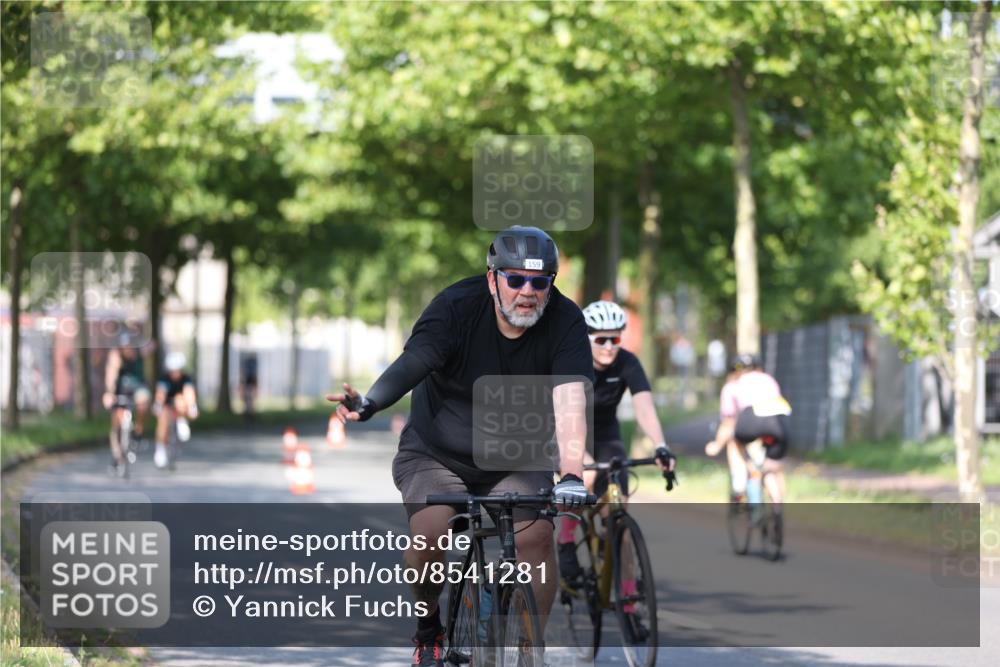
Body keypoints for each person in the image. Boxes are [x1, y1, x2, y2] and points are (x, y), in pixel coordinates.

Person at [327, 226, 593, 667]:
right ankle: (429, 628)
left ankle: (531, 646)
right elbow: (414, 362)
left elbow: (569, 400)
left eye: (540, 282)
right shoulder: (456, 307)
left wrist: (571, 474)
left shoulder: (565, 321)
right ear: (493, 279)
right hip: (437, 453)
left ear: (550, 285)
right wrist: (371, 402)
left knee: (539, 537)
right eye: (515, 280)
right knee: (431, 533)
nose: (527, 292)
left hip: (515, 456)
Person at [557, 301, 677, 592]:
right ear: (588, 339)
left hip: (607, 436)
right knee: (584, 477)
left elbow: (645, 408)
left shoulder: (627, 362)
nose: (609, 346)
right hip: (569, 430)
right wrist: (575, 455)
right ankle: (566, 542)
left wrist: (660, 445)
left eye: (615, 338)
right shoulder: (574, 358)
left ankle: (629, 597)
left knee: (619, 513)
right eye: (601, 339)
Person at [705, 354, 791, 508]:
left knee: (734, 442)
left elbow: (728, 421)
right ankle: (776, 504)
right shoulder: (768, 379)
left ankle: (739, 485)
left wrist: (717, 445)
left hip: (751, 420)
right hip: (778, 424)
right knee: (771, 468)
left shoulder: (732, 386)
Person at [102, 332, 151, 475]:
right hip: (120, 390)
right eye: (125, 347)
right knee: (117, 422)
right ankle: (118, 457)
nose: (128, 350)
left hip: (137, 388)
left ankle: (138, 434)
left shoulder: (140, 353)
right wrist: (109, 393)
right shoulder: (116, 357)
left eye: (130, 347)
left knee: (144, 403)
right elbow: (111, 375)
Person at [154, 351, 198, 469]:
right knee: (163, 420)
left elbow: (189, 392)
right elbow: (161, 394)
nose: (176, 373)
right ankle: (161, 448)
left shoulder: (186, 378)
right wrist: (158, 405)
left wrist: (192, 406)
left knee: (180, 400)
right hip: (166, 405)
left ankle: (181, 420)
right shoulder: (164, 379)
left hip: (180, 405)